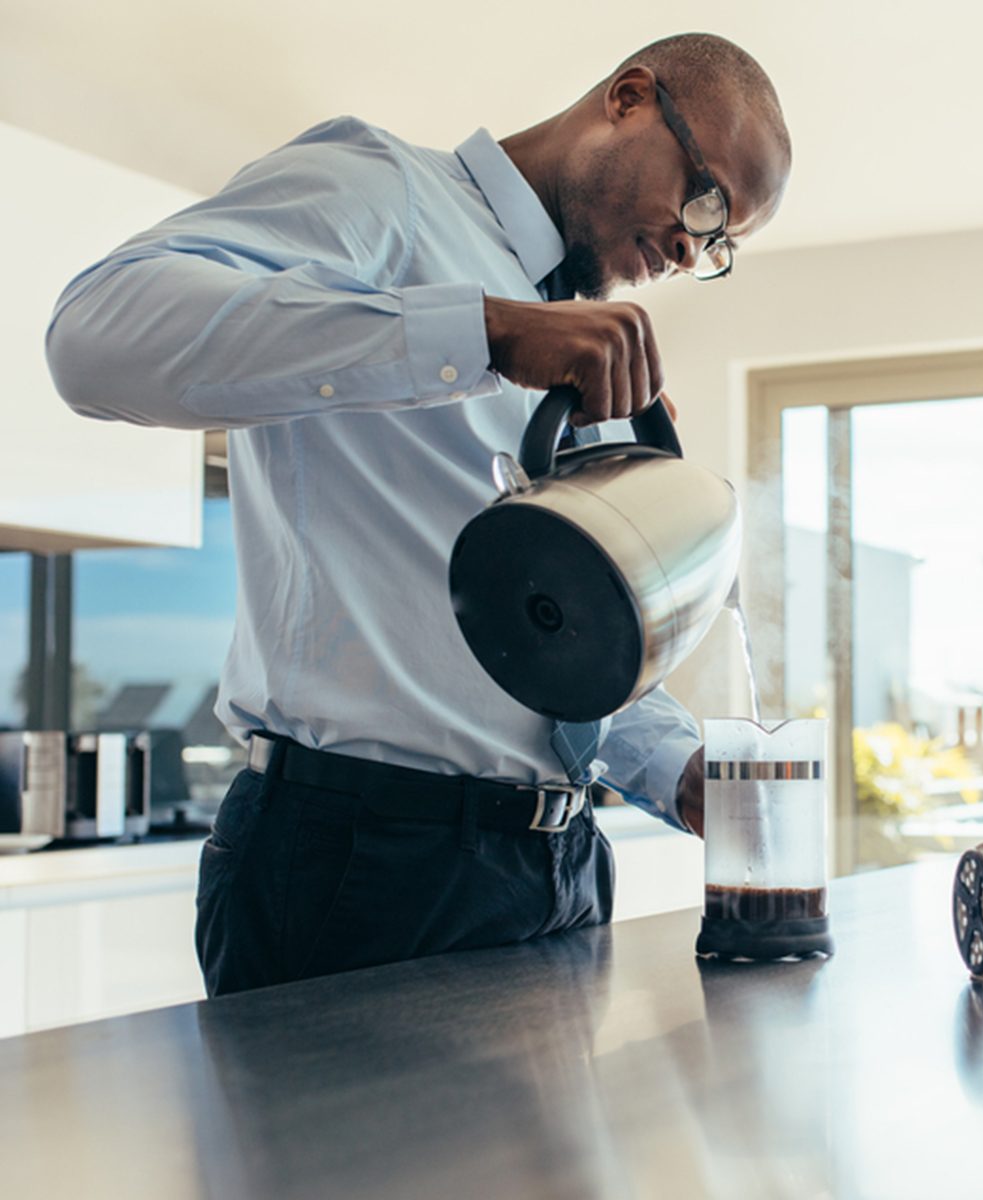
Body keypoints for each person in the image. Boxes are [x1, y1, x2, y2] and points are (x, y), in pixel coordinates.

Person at [45, 32, 791, 996]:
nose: (694, 248)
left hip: (559, 873)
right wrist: (481, 329)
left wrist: (680, 769)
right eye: (704, 200)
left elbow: (546, 660)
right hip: (360, 864)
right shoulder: (384, 191)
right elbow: (93, 335)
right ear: (630, 98)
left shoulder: (578, 339)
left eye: (721, 243)